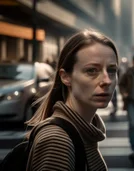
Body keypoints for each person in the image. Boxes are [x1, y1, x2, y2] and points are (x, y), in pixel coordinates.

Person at [25, 30, 119, 171]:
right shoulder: (57, 141)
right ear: (65, 77)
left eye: (112, 70)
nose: (107, 80)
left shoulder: (85, 131)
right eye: (92, 70)